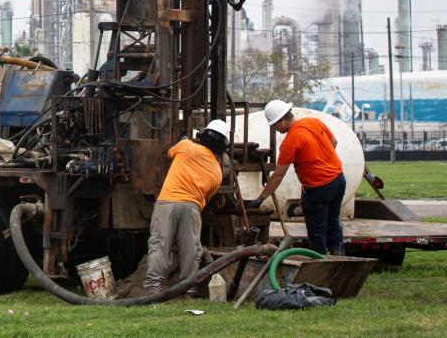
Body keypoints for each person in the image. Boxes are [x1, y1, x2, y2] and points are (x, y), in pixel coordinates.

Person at [245, 100, 346, 255]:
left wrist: (260, 198)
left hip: (318, 187)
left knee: (317, 231)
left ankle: (318, 265)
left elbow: (278, 175)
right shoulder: (314, 122)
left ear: (283, 121)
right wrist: (320, 157)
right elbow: (334, 142)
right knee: (333, 223)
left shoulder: (291, 141)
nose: (275, 129)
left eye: (274, 125)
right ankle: (340, 262)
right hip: (338, 180)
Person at [143, 119, 229, 295]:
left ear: (203, 136)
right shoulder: (217, 173)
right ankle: (188, 289)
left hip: (167, 202)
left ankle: (153, 288)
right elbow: (208, 196)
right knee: (190, 249)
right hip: (192, 207)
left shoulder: (186, 146)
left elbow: (168, 154)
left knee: (160, 244)